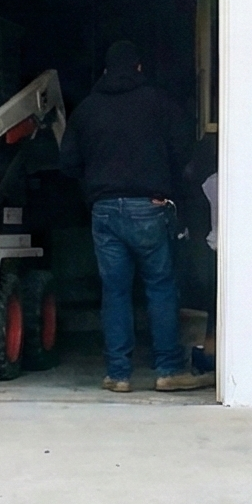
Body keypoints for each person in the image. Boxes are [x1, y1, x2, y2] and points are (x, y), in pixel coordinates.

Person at [59, 39, 211, 394]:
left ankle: (118, 374)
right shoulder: (158, 103)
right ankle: (168, 370)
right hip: (150, 206)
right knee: (160, 288)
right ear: (139, 68)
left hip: (105, 210)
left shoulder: (87, 109)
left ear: (107, 70)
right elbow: (184, 150)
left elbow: (68, 164)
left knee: (114, 292)